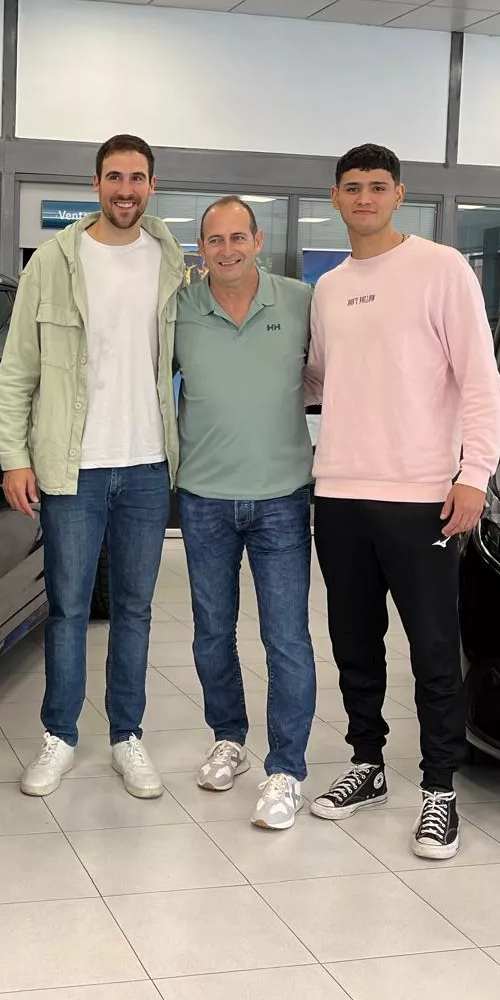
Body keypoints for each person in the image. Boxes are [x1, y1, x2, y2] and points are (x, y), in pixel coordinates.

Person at [304, 143, 500, 859]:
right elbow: (321, 381)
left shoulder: (441, 269)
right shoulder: (329, 287)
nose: (364, 198)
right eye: (352, 187)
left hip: (422, 494)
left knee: (433, 649)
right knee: (355, 642)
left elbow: (482, 381)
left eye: (377, 187)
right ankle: (368, 764)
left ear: (399, 195)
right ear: (336, 197)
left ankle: (440, 789)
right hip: (341, 492)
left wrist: (473, 473)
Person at [0, 133, 188, 800]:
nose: (125, 190)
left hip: (144, 464)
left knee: (133, 609)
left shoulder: (170, 261)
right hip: (71, 466)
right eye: (114, 177)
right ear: (96, 184)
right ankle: (60, 737)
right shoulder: (55, 260)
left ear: (151, 185)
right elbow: (17, 368)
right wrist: (14, 456)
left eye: (137, 178)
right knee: (68, 609)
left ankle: (127, 738)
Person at [174, 197, 316, 830]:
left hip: (283, 496)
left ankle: (285, 770)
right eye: (214, 240)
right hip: (203, 496)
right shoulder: (179, 310)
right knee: (211, 632)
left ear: (258, 240)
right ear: (199, 249)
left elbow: (336, 376)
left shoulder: (302, 302)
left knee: (285, 637)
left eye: (238, 237)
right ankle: (228, 737)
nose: (226, 250)